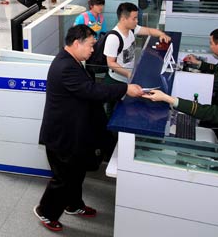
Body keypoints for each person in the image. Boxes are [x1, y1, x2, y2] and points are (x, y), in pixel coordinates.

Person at [34, 25, 143, 232]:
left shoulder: (73, 61)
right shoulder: (65, 66)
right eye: (91, 45)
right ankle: (45, 212)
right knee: (63, 179)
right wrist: (125, 89)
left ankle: (73, 205)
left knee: (77, 172)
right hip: (62, 136)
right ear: (77, 43)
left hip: (74, 133)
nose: (94, 50)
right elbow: (91, 90)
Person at [104, 2, 171, 85]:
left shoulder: (132, 29)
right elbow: (111, 63)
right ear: (123, 19)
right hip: (117, 81)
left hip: (129, 76)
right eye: (134, 18)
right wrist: (129, 74)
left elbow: (149, 31)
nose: (137, 21)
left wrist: (162, 34)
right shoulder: (113, 38)